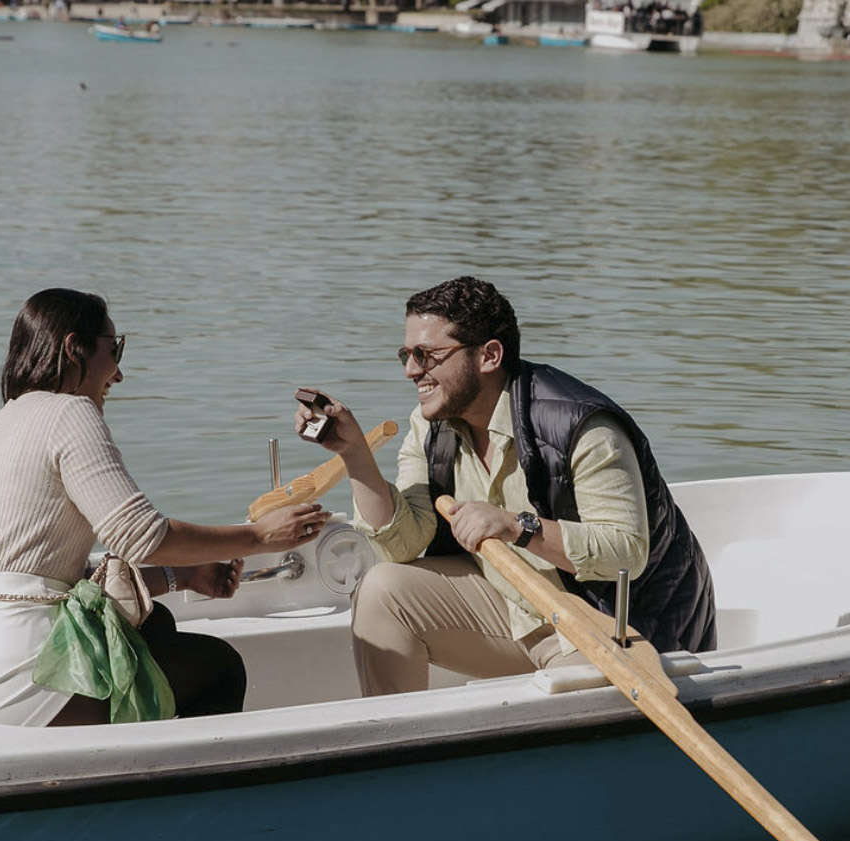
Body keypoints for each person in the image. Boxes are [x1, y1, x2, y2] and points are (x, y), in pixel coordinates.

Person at [0, 288, 329, 726]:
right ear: (76, 348)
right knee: (218, 667)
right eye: (115, 349)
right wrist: (262, 537)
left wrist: (184, 574)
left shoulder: (2, 424)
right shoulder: (70, 412)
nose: (119, 373)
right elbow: (141, 536)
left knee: (156, 626)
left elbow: (39, 572)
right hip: (10, 682)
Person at [298, 276, 716, 696]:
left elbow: (626, 552)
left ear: (489, 355)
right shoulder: (429, 426)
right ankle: (400, 746)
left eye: (426, 355)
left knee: (575, 696)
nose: (411, 371)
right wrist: (354, 454)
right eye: (406, 354)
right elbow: (401, 545)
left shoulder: (584, 428)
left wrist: (517, 526)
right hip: (516, 606)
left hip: (613, 624)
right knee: (382, 590)